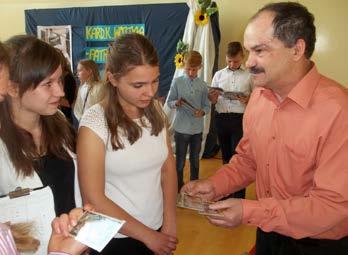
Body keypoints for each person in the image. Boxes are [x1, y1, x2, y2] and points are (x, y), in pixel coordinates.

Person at [182, 2, 348, 255]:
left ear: (297, 49)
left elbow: (332, 205)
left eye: (259, 50)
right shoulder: (259, 97)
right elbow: (249, 160)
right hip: (269, 232)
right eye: (249, 52)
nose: (249, 63)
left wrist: (251, 211)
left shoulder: (339, 110)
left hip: (320, 244)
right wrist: (216, 185)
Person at [77, 33, 178, 255]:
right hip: (114, 237)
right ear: (113, 79)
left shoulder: (157, 112)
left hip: (157, 228)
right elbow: (94, 199)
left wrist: (170, 220)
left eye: (155, 80)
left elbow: (167, 167)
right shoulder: (95, 122)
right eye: (138, 84)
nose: (150, 92)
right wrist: (148, 236)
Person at [208, 41, 253, 198]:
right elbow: (213, 99)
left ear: (242, 57)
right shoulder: (219, 74)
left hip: (239, 119)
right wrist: (213, 97)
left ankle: (239, 195)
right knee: (226, 156)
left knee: (238, 157)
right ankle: (226, 190)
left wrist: (248, 99)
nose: (233, 64)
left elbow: (257, 98)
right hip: (221, 117)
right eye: (229, 61)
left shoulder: (249, 75)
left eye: (236, 61)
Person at [166, 50, 211, 190]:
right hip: (180, 129)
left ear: (200, 67)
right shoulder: (177, 82)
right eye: (188, 69)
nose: (191, 72)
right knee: (179, 162)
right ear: (184, 66)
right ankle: (178, 187)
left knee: (195, 161)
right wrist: (176, 103)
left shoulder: (203, 85)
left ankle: (194, 188)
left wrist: (202, 112)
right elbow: (169, 102)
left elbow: (207, 106)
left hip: (197, 130)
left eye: (194, 69)